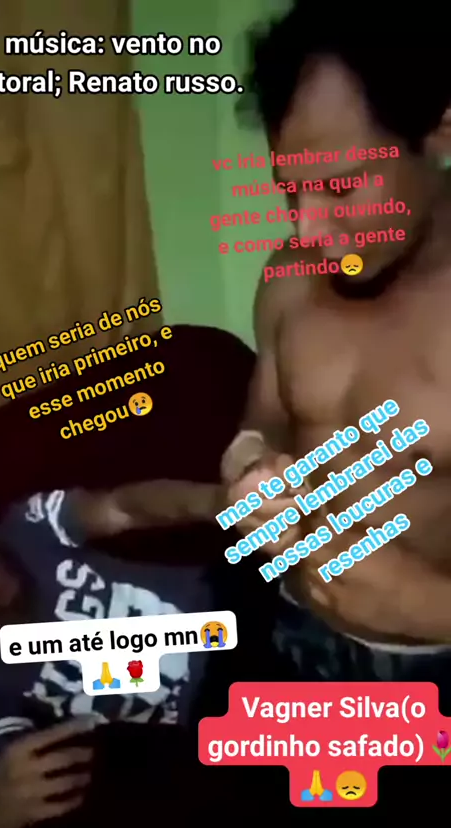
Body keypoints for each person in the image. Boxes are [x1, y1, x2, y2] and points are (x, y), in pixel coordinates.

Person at [221, 0, 451, 698]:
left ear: (440, 130)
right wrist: (251, 467)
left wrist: (430, 607)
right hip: (293, 638)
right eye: (289, 191)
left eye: (342, 187)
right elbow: (264, 420)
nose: (310, 230)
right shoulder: (288, 278)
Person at [0, 479, 221, 828]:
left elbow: (123, 507)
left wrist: (219, 501)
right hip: (207, 712)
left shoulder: (24, 528)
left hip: (228, 604)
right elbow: (4, 791)